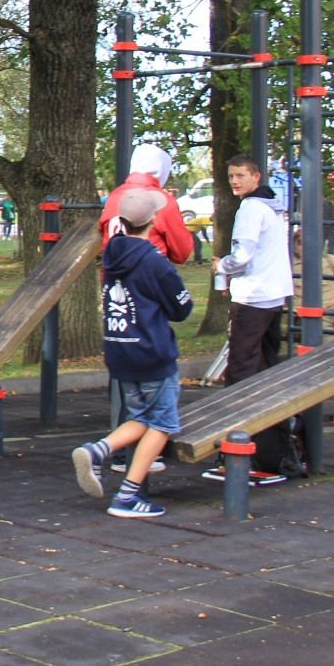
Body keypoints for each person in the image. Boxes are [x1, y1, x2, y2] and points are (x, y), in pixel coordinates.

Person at [71, 188, 194, 519]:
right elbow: (182, 308)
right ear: (153, 220)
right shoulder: (155, 262)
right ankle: (127, 495)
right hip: (152, 352)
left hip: (120, 350)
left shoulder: (112, 254)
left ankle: (97, 450)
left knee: (139, 417)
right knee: (163, 423)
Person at [211, 155, 293, 386]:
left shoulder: (250, 208)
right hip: (274, 294)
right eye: (231, 176)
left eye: (240, 176)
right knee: (266, 362)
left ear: (255, 177)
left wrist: (221, 266)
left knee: (241, 365)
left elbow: (242, 255)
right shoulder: (271, 206)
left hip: (252, 297)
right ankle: (276, 421)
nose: (234, 181)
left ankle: (237, 418)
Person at [97, 145, 193, 264]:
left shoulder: (113, 197)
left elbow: (102, 231)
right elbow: (181, 252)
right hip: (148, 275)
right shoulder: (163, 202)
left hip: (113, 277)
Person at [293, 231, 334, 335]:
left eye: (311, 242)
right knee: (326, 340)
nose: (306, 247)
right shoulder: (287, 266)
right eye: (301, 243)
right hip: (310, 313)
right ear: (294, 246)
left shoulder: (331, 261)